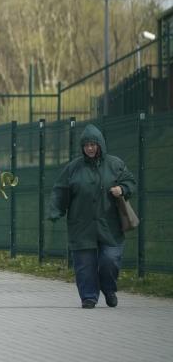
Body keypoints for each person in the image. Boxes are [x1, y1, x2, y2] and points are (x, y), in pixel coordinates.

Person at [49, 124, 136, 309]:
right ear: (82, 147)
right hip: (81, 225)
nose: (90, 148)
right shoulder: (73, 168)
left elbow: (130, 181)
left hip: (110, 224)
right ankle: (89, 296)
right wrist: (56, 210)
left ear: (100, 145)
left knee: (110, 260)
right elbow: (60, 190)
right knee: (84, 263)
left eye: (93, 144)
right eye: (86, 145)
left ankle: (109, 288)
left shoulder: (115, 164)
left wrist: (122, 188)